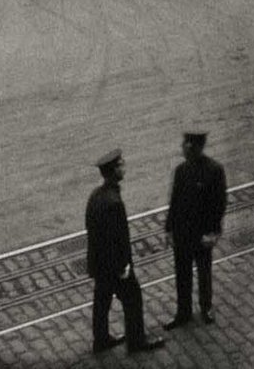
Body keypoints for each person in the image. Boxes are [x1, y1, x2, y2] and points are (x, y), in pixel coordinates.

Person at [85, 149, 164, 353]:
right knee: (133, 299)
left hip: (99, 263)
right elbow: (118, 239)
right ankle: (136, 342)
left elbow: (93, 232)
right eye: (120, 164)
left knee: (102, 300)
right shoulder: (114, 202)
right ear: (114, 171)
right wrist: (123, 266)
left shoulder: (96, 195)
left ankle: (101, 340)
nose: (123, 166)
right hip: (115, 266)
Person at [163, 130, 226, 330]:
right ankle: (183, 312)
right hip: (182, 233)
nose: (183, 149)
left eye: (187, 146)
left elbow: (219, 204)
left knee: (204, 272)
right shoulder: (181, 170)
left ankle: (206, 307)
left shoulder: (214, 170)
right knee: (182, 275)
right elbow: (174, 201)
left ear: (196, 148)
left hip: (201, 234)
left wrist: (214, 233)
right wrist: (169, 229)